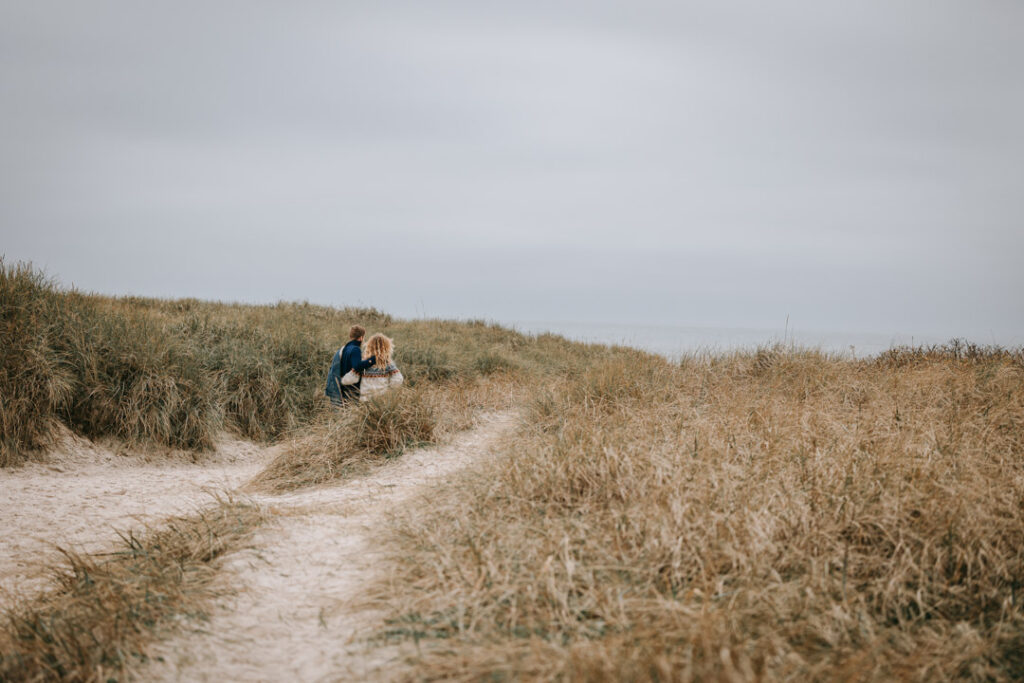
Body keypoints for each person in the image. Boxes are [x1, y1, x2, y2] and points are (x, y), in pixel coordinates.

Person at [325, 325, 376, 405]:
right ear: (361, 337)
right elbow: (357, 366)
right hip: (351, 388)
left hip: (342, 386)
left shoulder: (345, 348)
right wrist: (372, 360)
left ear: (351, 336)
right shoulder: (355, 349)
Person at [358, 333, 404, 402]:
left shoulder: (363, 363)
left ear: (369, 346)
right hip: (381, 399)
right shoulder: (388, 364)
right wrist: (389, 390)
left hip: (364, 399)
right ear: (387, 347)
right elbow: (398, 380)